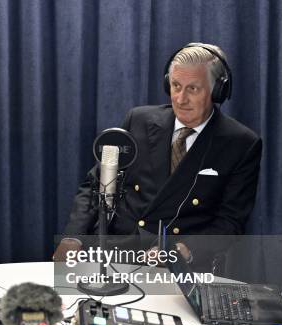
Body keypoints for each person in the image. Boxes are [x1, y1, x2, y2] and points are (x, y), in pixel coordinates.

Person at [57, 43, 262, 271]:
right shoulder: (138, 120)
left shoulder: (241, 143)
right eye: (175, 85)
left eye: (192, 89)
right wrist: (73, 236)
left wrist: (184, 250)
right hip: (116, 253)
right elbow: (97, 184)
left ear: (217, 91)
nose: (180, 99)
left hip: (179, 264)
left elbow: (230, 221)